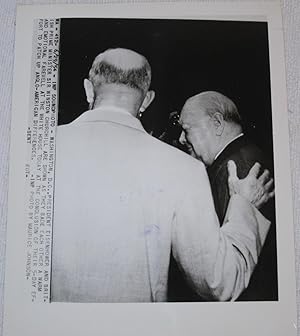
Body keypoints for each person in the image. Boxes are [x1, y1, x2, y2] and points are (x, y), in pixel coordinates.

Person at [51, 48, 272, 303]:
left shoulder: (36, 147)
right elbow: (220, 282)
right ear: (147, 100)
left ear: (89, 89)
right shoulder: (183, 168)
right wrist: (243, 206)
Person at [178, 91, 277, 300]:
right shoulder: (244, 156)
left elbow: (228, 264)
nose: (181, 139)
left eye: (186, 130)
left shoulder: (235, 169)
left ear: (217, 123)